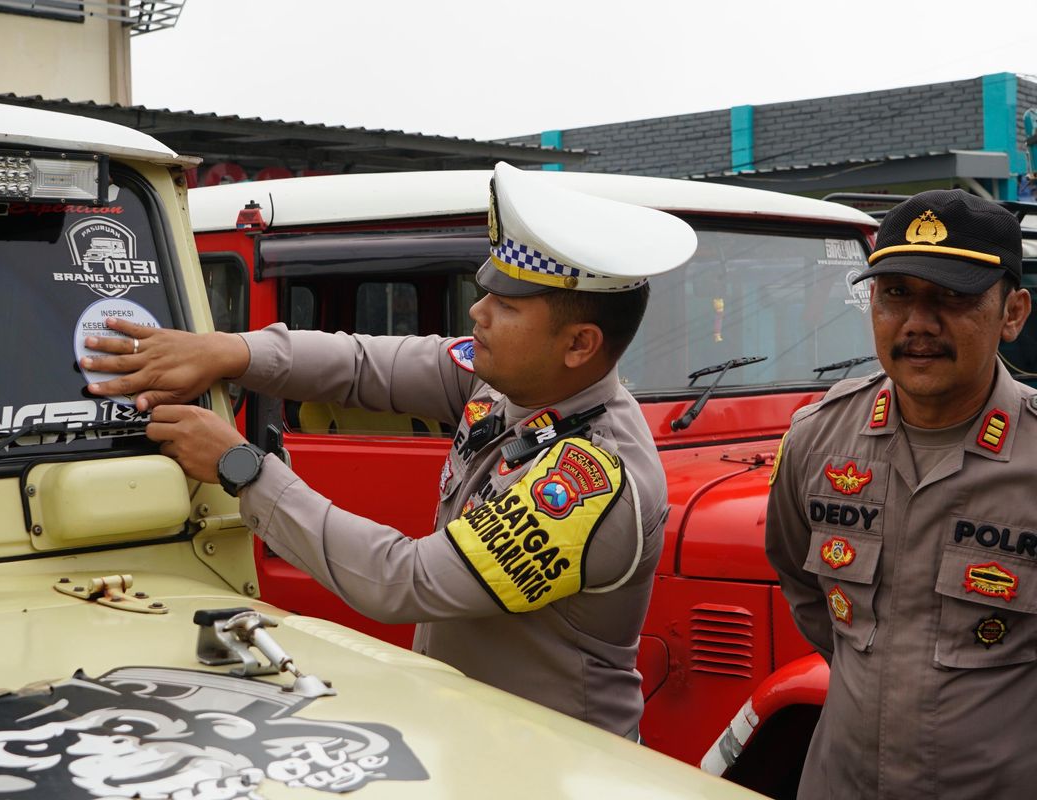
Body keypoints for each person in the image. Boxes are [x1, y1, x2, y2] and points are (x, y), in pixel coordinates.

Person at [79, 162, 698, 737]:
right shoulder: (507, 381)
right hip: (474, 730)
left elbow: (406, 581)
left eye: (505, 306)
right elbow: (364, 364)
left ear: (579, 344)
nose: (477, 313)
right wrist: (228, 351)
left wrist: (242, 468)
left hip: (555, 757)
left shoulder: (591, 477)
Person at [765, 189, 1034, 797]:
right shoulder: (818, 439)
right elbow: (803, 583)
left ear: (1013, 313)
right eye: (896, 294)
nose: (917, 323)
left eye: (953, 297)